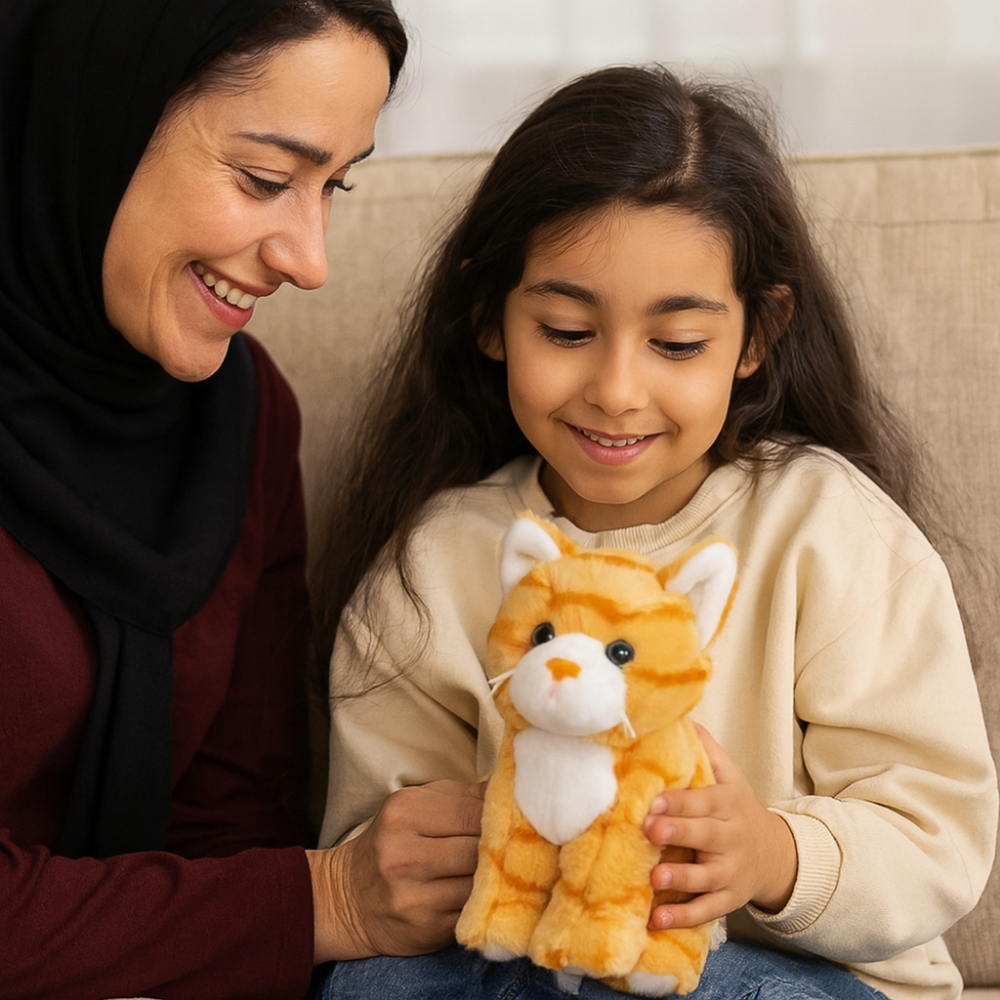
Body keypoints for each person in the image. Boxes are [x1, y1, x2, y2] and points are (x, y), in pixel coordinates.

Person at [312, 66, 998, 1000]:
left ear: (757, 336)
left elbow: (936, 839)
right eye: (565, 330)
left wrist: (773, 855)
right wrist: (471, 846)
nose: (618, 389)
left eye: (677, 345)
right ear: (490, 318)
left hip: (782, 975)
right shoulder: (438, 564)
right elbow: (374, 861)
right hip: (527, 962)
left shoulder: (823, 529)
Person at [0, 2, 475, 998]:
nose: (309, 258)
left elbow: (235, 829)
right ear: (100, 117)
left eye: (331, 186)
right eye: (266, 179)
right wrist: (327, 903)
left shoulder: (240, 418)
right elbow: (280, 895)